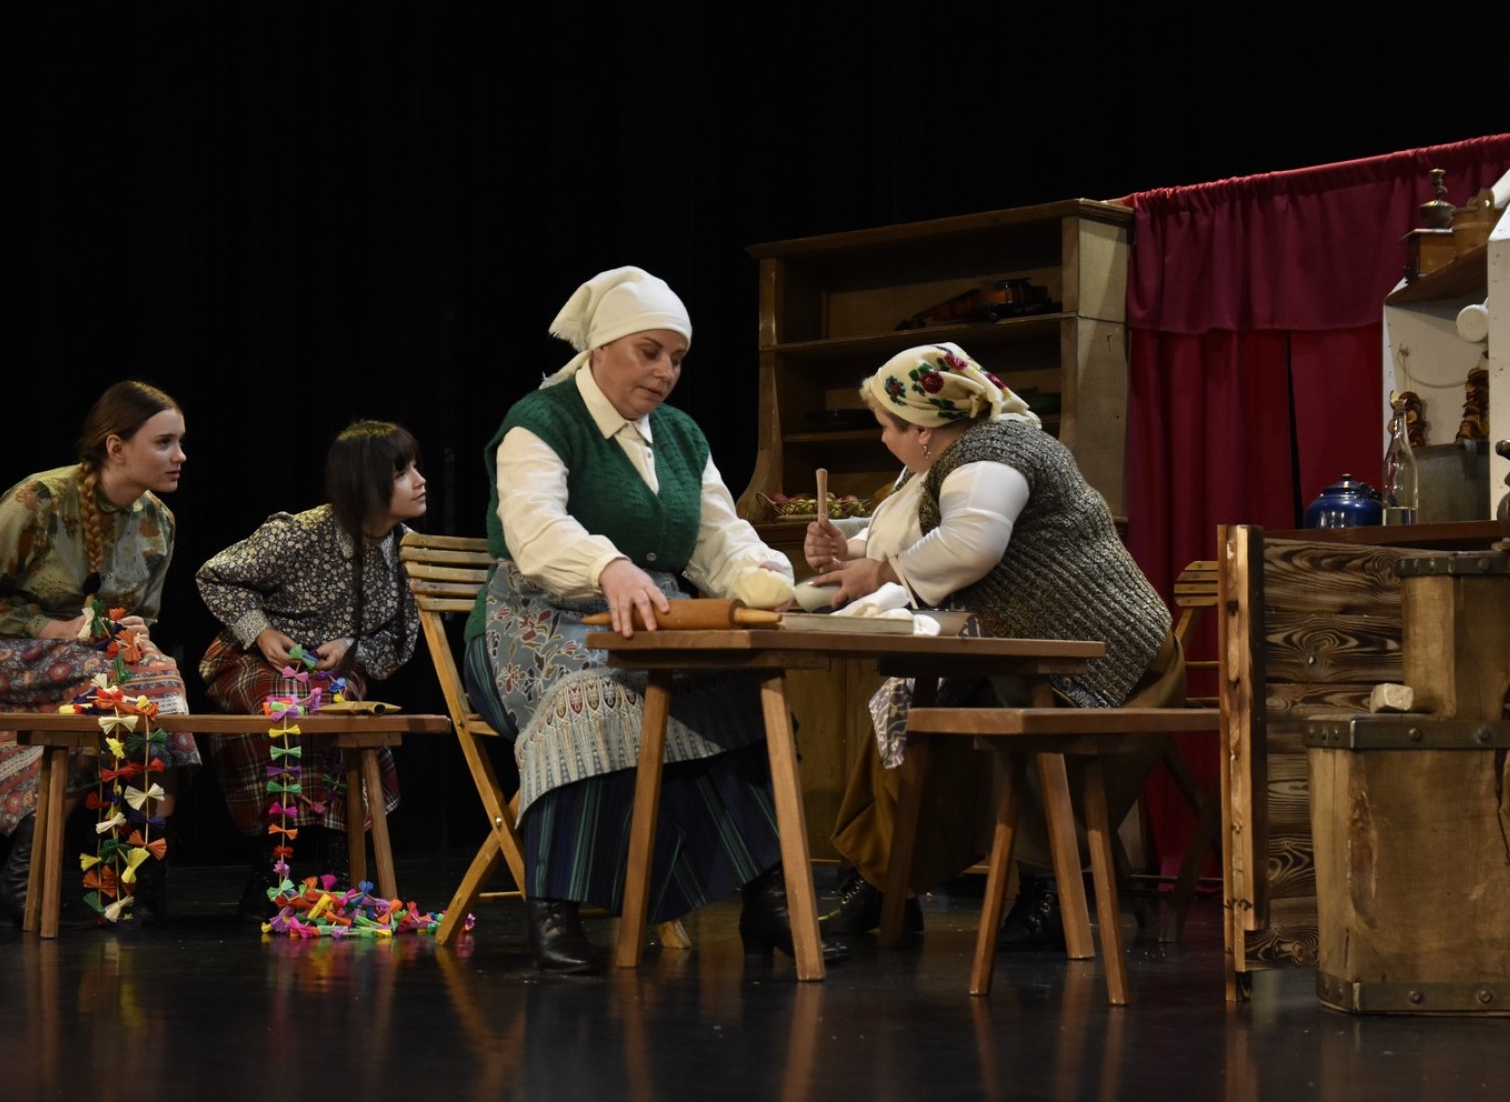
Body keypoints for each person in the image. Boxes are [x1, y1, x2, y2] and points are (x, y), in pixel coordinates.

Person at [461, 265, 838, 974]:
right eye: (650, 352)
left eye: (677, 357)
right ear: (601, 347)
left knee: (744, 692)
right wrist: (607, 565)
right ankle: (554, 903)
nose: (666, 372)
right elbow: (534, 525)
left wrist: (764, 579)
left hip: (655, 620)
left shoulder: (680, 436)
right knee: (596, 693)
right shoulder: (541, 421)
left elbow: (719, 536)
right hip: (536, 620)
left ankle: (769, 899)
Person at [804, 342, 1182, 947]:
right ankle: (883, 881)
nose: (883, 439)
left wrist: (879, 573)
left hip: (1110, 662)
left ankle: (1048, 891)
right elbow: (923, 534)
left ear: (922, 427)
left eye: (886, 426)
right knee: (911, 711)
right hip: (1029, 654)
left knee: (1014, 732)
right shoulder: (960, 459)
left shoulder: (995, 454)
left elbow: (972, 542)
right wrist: (848, 550)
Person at [0, 380, 200, 924]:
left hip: (87, 662)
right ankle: (28, 875)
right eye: (164, 442)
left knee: (156, 681)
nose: (180, 456)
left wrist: (132, 632)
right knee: (113, 684)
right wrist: (54, 627)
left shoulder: (158, 522)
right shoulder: (40, 499)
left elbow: (140, 618)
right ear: (116, 447)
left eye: (180, 442)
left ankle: (143, 873)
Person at [194, 419, 426, 919]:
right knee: (289, 704)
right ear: (365, 484)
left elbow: (401, 641)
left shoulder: (409, 553)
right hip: (253, 659)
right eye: (401, 473)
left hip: (334, 673)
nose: (420, 481)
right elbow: (216, 576)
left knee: (337, 708)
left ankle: (342, 863)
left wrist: (352, 646)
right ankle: (273, 864)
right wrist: (260, 630)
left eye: (414, 468)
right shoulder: (301, 534)